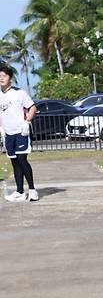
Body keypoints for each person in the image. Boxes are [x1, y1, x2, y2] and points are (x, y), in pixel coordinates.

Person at [0, 62, 38, 201]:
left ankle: (32, 190)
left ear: (10, 78)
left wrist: (27, 122)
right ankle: (20, 191)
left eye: (4, 76)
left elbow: (32, 107)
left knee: (22, 159)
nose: (1, 78)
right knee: (14, 161)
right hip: (8, 133)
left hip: (21, 132)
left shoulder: (19, 93)